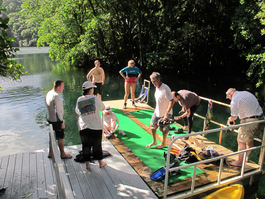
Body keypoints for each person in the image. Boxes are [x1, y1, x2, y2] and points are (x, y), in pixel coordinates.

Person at [226, 88, 264, 167]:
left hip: (249, 121)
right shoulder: (245, 93)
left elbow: (234, 117)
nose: (229, 98)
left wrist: (230, 120)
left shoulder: (234, 100)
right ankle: (245, 157)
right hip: (260, 119)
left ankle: (240, 162)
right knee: (249, 140)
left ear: (229, 94)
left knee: (241, 141)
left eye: (228, 97)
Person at [75, 81, 107, 169]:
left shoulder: (79, 99)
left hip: (84, 126)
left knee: (86, 145)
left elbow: (77, 111)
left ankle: (87, 164)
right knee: (97, 145)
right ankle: (100, 163)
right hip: (96, 126)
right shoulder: (95, 99)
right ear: (90, 89)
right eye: (93, 88)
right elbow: (103, 107)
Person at [147, 72, 174, 148]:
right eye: (152, 81)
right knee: (152, 126)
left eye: (154, 81)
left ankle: (163, 143)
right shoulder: (156, 87)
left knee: (164, 129)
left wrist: (167, 113)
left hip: (165, 113)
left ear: (159, 79)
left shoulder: (165, 88)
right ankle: (154, 141)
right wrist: (155, 110)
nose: (153, 83)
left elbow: (172, 100)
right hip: (157, 111)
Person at [46, 80, 72, 159]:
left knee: (52, 136)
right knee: (61, 137)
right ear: (58, 87)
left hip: (50, 118)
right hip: (56, 120)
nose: (63, 88)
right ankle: (63, 153)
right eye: (62, 86)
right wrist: (61, 122)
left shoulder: (49, 93)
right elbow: (58, 110)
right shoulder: (56, 96)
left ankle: (50, 152)